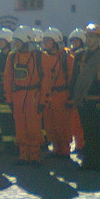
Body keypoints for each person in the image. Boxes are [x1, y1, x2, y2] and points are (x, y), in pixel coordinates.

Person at [69, 23, 100, 171]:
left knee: (99, 132)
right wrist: (73, 96)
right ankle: (88, 160)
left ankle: (99, 161)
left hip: (99, 100)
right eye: (88, 36)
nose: (89, 39)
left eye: (93, 36)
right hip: (84, 100)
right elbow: (75, 77)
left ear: (99, 38)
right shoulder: (80, 55)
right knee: (86, 132)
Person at [4, 26, 45, 165]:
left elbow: (46, 80)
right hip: (18, 96)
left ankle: (34, 156)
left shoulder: (39, 56)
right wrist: (9, 99)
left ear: (26, 40)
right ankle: (23, 155)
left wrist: (42, 101)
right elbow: (8, 78)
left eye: (17, 41)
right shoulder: (12, 56)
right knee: (20, 127)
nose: (15, 44)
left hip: (34, 95)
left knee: (33, 127)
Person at [40, 27, 74, 158]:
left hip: (62, 95)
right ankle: (55, 148)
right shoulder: (43, 57)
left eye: (49, 40)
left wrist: (71, 98)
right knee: (50, 124)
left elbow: (72, 79)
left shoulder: (67, 58)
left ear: (56, 42)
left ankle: (64, 149)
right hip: (48, 95)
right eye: (45, 40)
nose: (46, 43)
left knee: (62, 124)